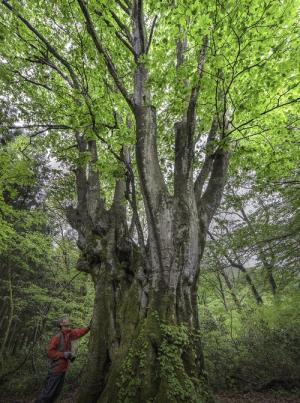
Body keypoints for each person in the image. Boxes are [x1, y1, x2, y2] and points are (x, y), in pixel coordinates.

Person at [35, 317, 90, 403]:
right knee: (48, 394)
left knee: (56, 393)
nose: (68, 327)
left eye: (68, 325)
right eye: (66, 326)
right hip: (55, 370)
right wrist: (63, 354)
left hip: (62, 370)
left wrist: (88, 328)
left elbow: (77, 332)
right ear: (61, 326)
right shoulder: (57, 337)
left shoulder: (68, 334)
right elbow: (50, 352)